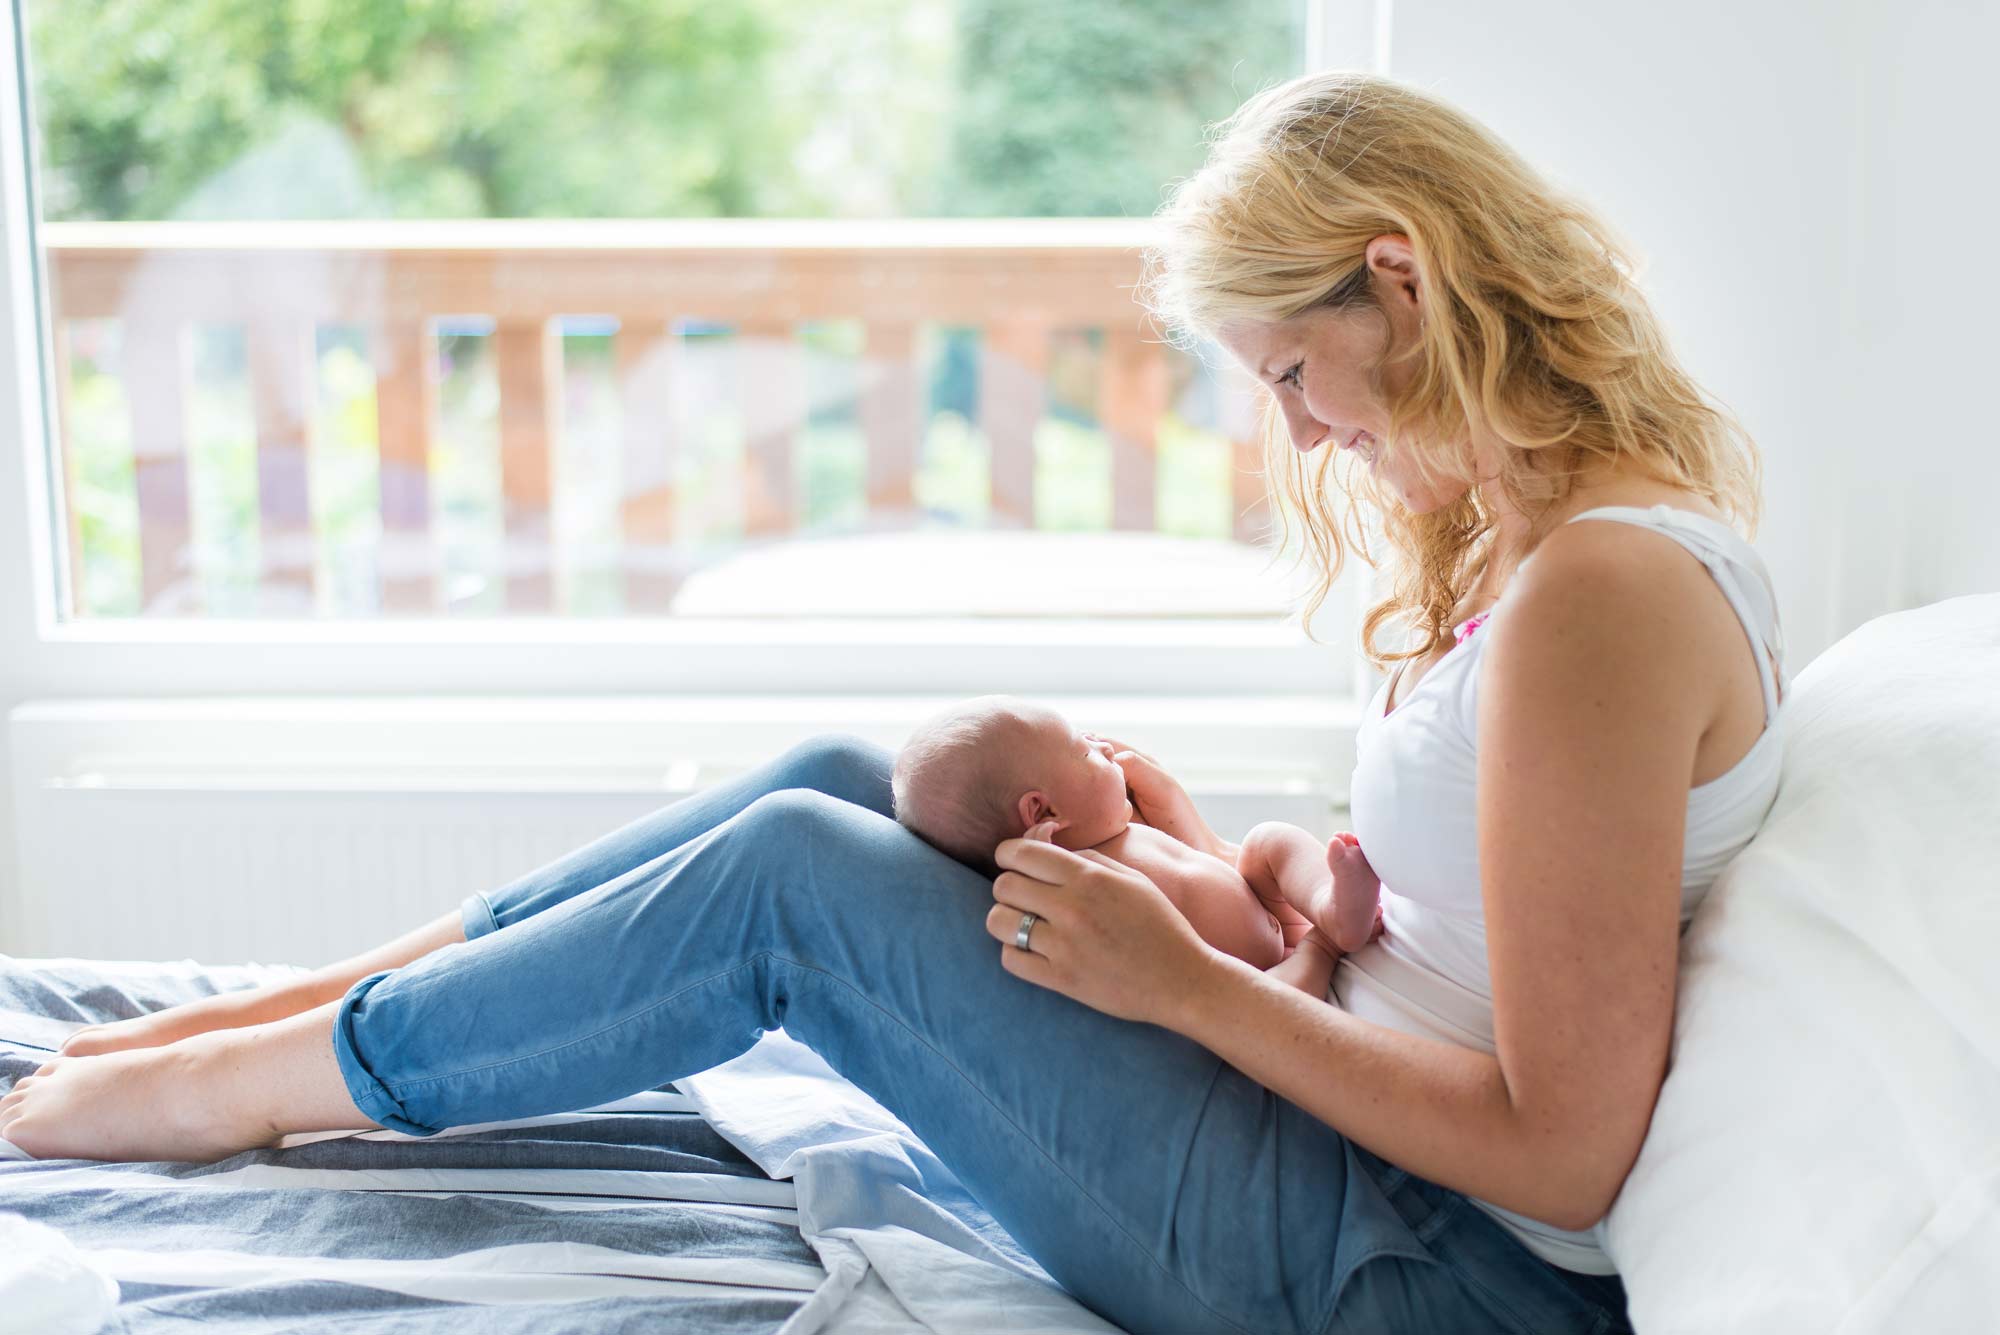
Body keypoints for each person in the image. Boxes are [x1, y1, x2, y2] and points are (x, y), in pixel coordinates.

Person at [0, 68, 1790, 1334]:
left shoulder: (1604, 598)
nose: (1309, 430)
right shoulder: (1552, 559)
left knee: (800, 872)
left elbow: (1561, 1153)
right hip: (1352, 1179)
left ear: (1400, 274)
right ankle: (296, 1019)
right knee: (845, 776)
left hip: (1413, 1277)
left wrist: (1181, 983)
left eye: (1301, 373)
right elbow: (1443, 947)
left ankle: (246, 1084)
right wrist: (1233, 896)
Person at [890, 693, 1380, 993]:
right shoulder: (1077, 882)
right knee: (1286, 991)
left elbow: (1211, 865)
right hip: (1258, 985)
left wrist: (1180, 814)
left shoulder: (1117, 829)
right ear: (1042, 813)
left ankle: (1331, 905)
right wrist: (1313, 952)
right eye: (1084, 750)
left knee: (1267, 841)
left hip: (1270, 917)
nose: (1105, 747)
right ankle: (1328, 941)